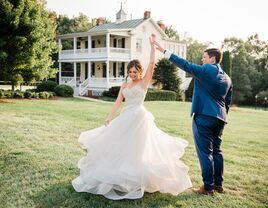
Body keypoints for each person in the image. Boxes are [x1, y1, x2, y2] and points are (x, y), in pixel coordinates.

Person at [72, 34, 192, 200]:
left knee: (138, 149)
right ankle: (120, 176)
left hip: (140, 118)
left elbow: (151, 63)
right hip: (125, 117)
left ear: (140, 71)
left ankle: (137, 178)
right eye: (130, 72)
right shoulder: (125, 84)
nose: (133, 74)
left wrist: (152, 46)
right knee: (120, 146)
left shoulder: (144, 82)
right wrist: (108, 117)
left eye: (135, 71)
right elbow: (117, 102)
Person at [153, 39, 232, 196]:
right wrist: (222, 117)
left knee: (205, 153)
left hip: (204, 117)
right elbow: (227, 101)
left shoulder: (208, 70)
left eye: (204, 57)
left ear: (212, 59)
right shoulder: (227, 78)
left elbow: (186, 65)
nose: (202, 60)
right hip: (220, 118)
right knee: (217, 151)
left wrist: (164, 51)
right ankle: (218, 185)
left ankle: (208, 188)